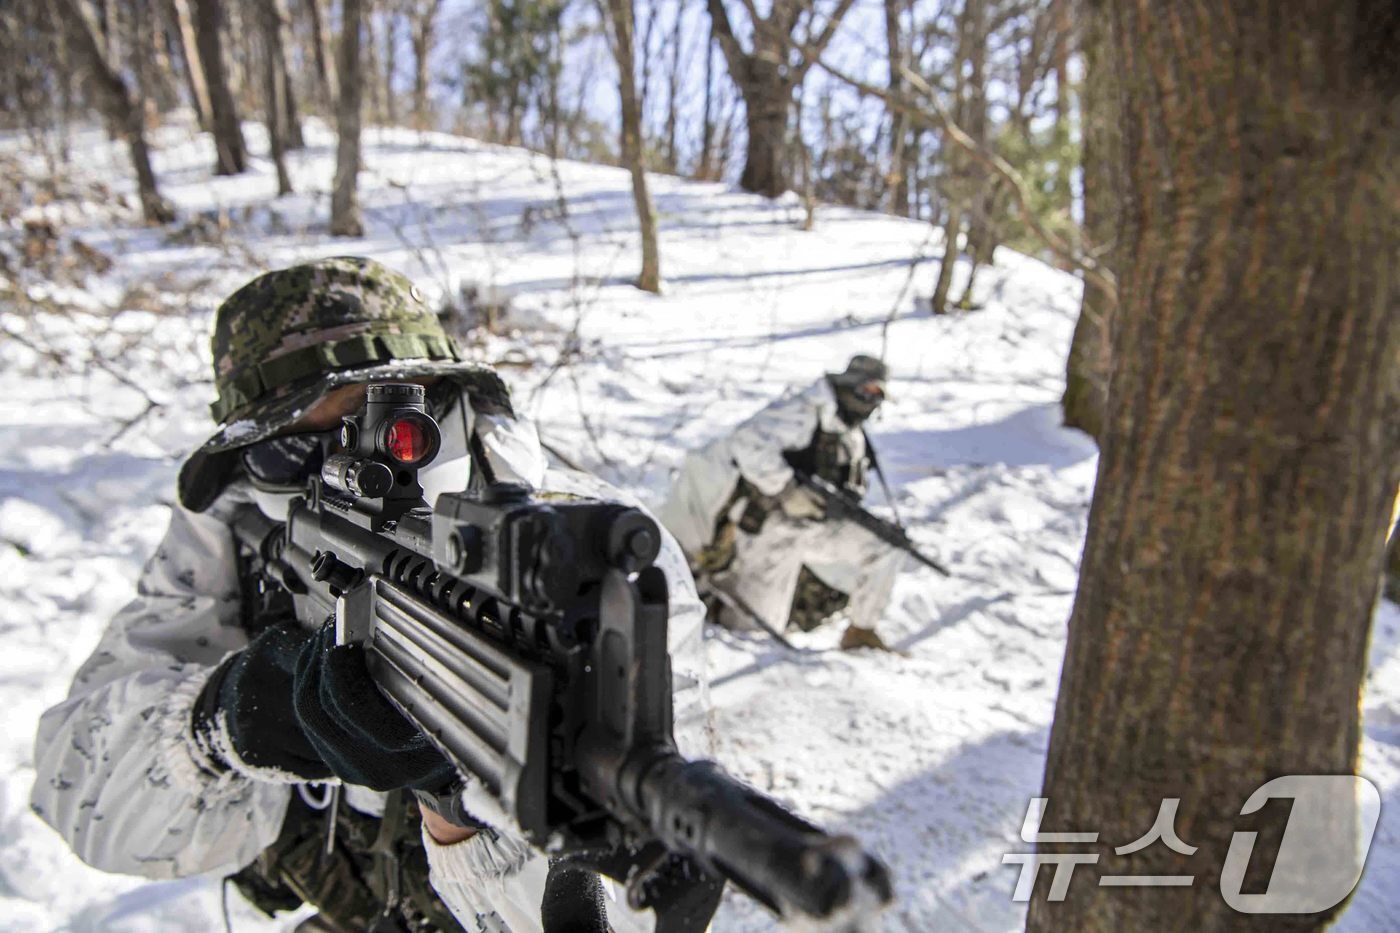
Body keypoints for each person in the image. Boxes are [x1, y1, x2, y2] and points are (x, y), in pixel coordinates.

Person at [30, 257, 712, 933]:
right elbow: (76, 790)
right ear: (249, 462)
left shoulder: (588, 561)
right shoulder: (234, 529)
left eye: (384, 424)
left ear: (455, 404)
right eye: (290, 450)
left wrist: (460, 810)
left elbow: (632, 915)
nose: (347, 471)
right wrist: (227, 720)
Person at [658, 355, 903, 648]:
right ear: (848, 386)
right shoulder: (802, 412)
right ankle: (711, 611)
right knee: (754, 632)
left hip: (815, 526)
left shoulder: (851, 433)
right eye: (866, 391)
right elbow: (746, 443)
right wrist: (788, 490)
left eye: (878, 396)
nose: (870, 402)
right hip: (768, 525)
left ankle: (861, 632)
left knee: (885, 546)